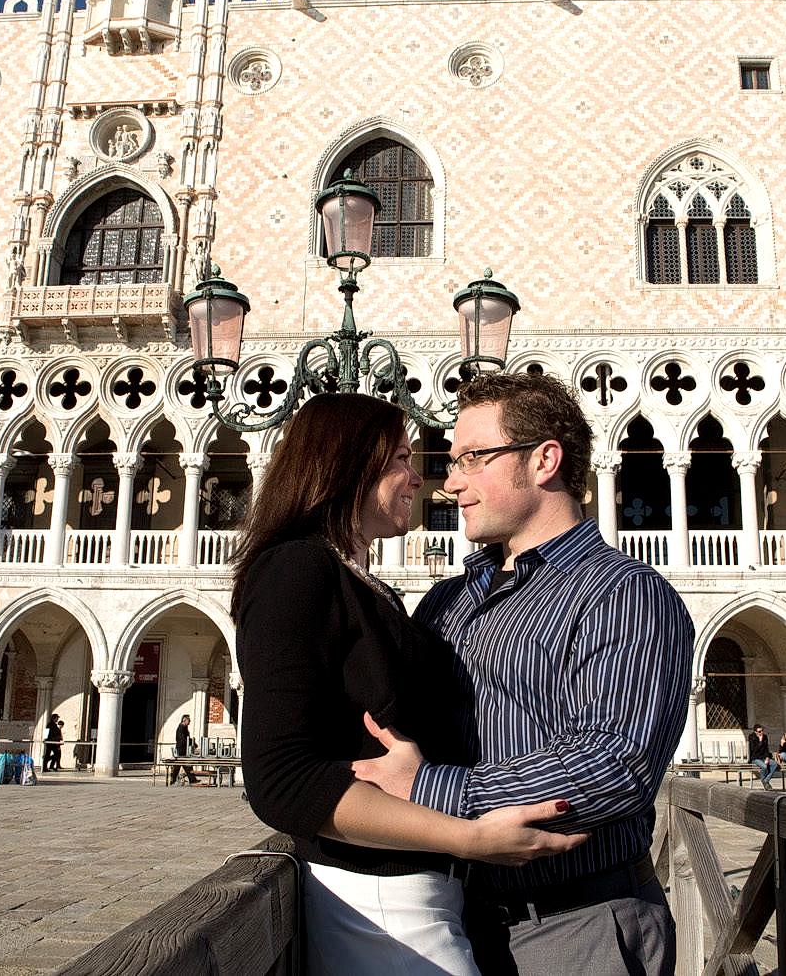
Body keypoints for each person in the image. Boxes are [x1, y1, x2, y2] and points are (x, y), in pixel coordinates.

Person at [353, 373, 695, 975]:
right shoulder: (445, 604)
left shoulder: (625, 594)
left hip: (577, 926)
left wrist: (427, 789)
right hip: (450, 920)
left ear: (544, 461)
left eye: (472, 459)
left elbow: (616, 764)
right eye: (450, 461)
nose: (450, 482)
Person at [237, 392, 588, 976]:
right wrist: (466, 837)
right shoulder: (295, 570)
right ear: (348, 464)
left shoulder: (364, 587)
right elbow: (281, 781)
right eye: (401, 458)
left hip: (425, 891)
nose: (422, 481)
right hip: (380, 905)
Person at [167, 714, 199, 786]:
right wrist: (191, 742)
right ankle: (191, 779)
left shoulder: (184, 728)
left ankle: (190, 779)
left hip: (183, 748)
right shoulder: (181, 728)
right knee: (183, 765)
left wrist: (193, 743)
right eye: (189, 720)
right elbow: (183, 739)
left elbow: (186, 738)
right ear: (184, 720)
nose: (189, 722)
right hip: (181, 749)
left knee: (182, 765)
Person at [747, 724, 778, 790]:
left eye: (762, 731)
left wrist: (767, 757)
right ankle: (764, 781)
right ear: (755, 732)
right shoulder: (751, 737)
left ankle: (765, 780)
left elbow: (766, 749)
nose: (761, 733)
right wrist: (760, 741)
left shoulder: (765, 737)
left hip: (763, 757)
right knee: (764, 766)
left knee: (774, 764)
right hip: (755, 758)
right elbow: (753, 750)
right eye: (759, 731)